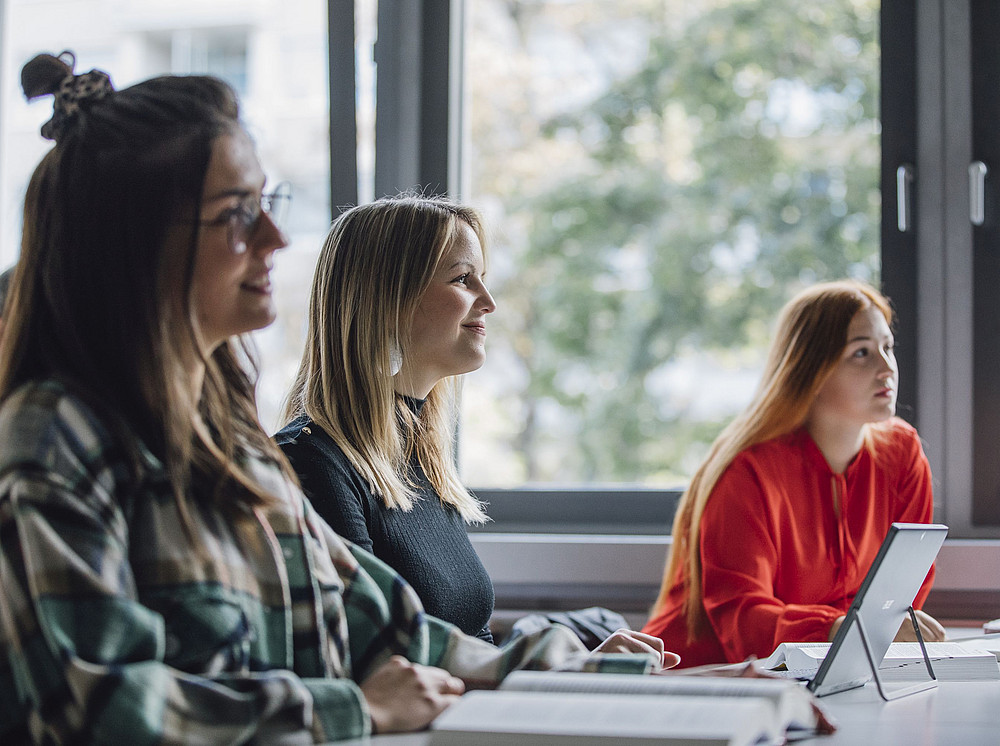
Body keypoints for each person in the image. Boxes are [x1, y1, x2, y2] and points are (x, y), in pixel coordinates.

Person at [0, 52, 666, 745]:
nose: (276, 238)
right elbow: (101, 707)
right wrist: (353, 711)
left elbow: (388, 627)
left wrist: (570, 669)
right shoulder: (55, 440)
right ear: (131, 245)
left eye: (268, 204)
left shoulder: (232, 444)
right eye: (237, 215)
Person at [276, 195, 674, 658]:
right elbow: (374, 663)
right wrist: (552, 670)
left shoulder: (414, 460)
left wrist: (576, 663)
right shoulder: (311, 464)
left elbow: (466, 649)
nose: (488, 302)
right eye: (463, 279)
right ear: (388, 300)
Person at [642, 280, 946, 668]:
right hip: (697, 680)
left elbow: (901, 592)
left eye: (888, 347)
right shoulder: (747, 472)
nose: (886, 368)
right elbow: (744, 624)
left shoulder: (902, 454)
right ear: (812, 371)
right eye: (861, 353)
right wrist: (841, 630)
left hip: (824, 675)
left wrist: (858, 637)